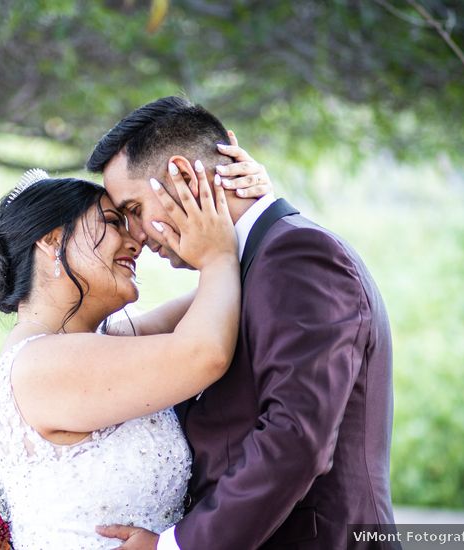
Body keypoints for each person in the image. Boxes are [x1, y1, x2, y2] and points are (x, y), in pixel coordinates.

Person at [88, 96, 398, 550]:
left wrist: (175, 546)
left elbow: (295, 438)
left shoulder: (299, 257)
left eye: (134, 210)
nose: (134, 235)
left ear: (184, 176)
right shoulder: (245, 268)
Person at [0, 152, 272, 548]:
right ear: (51, 240)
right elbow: (205, 352)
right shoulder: (40, 365)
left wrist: (247, 207)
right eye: (115, 222)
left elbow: (223, 292)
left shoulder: (100, 347)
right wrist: (215, 255)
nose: (137, 241)